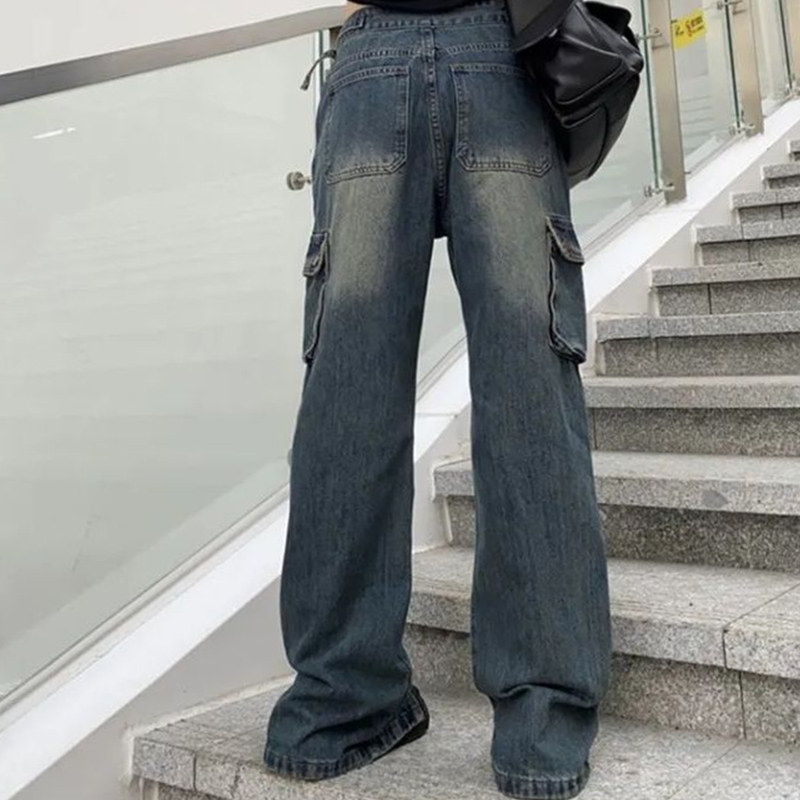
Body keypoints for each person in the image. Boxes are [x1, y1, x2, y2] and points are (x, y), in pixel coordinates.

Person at [263, 1, 613, 798]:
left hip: (369, 63)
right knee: (530, 400)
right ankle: (541, 729)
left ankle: (337, 706)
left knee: (348, 405)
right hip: (502, 55)